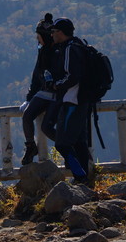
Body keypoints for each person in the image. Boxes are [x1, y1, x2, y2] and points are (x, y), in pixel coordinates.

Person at [49, 17, 93, 185]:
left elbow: (72, 76)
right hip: (84, 100)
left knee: (62, 143)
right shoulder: (80, 45)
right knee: (80, 141)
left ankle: (80, 175)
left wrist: (56, 85)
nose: (52, 35)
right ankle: (84, 179)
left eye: (53, 32)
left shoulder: (68, 49)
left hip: (72, 100)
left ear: (60, 33)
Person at [20, 13, 59, 165]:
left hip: (56, 93)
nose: (37, 40)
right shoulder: (43, 51)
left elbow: (39, 75)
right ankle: (31, 146)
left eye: (39, 36)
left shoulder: (57, 51)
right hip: (46, 92)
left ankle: (68, 145)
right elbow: (37, 75)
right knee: (27, 115)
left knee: (46, 127)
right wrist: (30, 98)